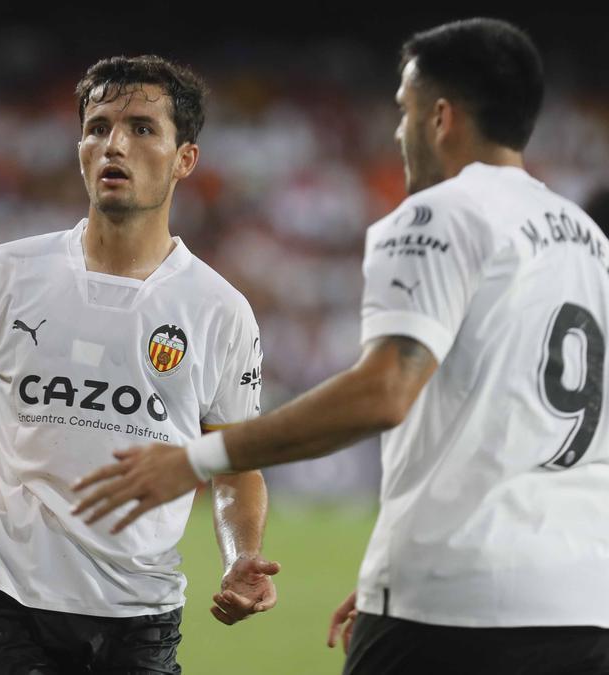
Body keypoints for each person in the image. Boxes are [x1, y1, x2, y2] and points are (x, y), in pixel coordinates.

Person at [74, 19, 609, 675]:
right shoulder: (586, 238)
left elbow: (384, 391)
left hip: (457, 599)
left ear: (440, 116)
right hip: (582, 606)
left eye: (403, 112)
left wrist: (200, 454)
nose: (398, 132)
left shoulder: (440, 213)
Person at [0, 55, 279, 674]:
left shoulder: (220, 310)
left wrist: (239, 556)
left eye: (143, 128)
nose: (114, 143)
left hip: (140, 611)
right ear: (80, 148)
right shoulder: (8, 273)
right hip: (2, 594)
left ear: (184, 159)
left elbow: (236, 468)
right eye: (98, 127)